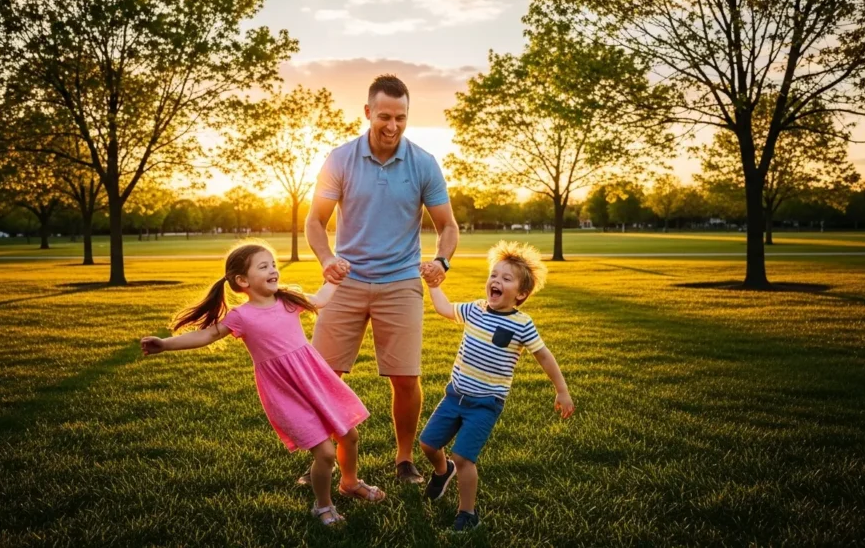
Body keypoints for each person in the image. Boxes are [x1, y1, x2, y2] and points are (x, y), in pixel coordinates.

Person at [139, 241, 386, 527]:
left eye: (273, 264)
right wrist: (165, 345)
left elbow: (319, 299)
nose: (273, 270)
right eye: (263, 266)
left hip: (315, 380)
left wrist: (335, 278)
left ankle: (350, 482)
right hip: (285, 393)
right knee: (326, 453)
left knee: (350, 436)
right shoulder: (241, 317)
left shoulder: (288, 300)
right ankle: (323, 506)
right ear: (242, 281)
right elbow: (206, 336)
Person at [304, 74, 459, 484]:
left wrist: (441, 262)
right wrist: (326, 259)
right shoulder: (340, 159)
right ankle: (323, 459)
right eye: (385, 116)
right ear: (368, 112)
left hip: (401, 282)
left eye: (401, 118)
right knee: (323, 375)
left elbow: (448, 226)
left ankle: (404, 459)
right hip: (348, 280)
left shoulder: (423, 163)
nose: (392, 126)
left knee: (406, 378)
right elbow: (315, 221)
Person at [417, 241, 575, 531]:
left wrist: (562, 390)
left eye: (506, 278)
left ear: (521, 294)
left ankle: (467, 514)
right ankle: (442, 472)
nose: (496, 281)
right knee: (427, 444)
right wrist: (433, 284)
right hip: (455, 396)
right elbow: (443, 308)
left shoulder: (522, 324)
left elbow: (544, 356)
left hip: (486, 404)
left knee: (463, 457)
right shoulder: (475, 309)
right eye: (493, 275)